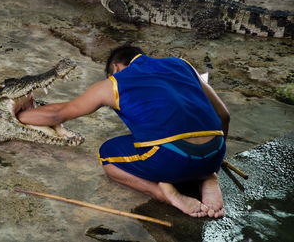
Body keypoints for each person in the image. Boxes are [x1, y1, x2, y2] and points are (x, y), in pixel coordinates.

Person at [17, 44, 230, 218]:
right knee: (181, 143)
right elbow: (224, 115)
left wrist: (16, 116)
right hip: (216, 151)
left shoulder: (113, 84)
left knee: (107, 155)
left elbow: (58, 114)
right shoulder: (182, 65)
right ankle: (208, 175)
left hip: (172, 160)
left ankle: (164, 194)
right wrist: (215, 159)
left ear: (116, 68)